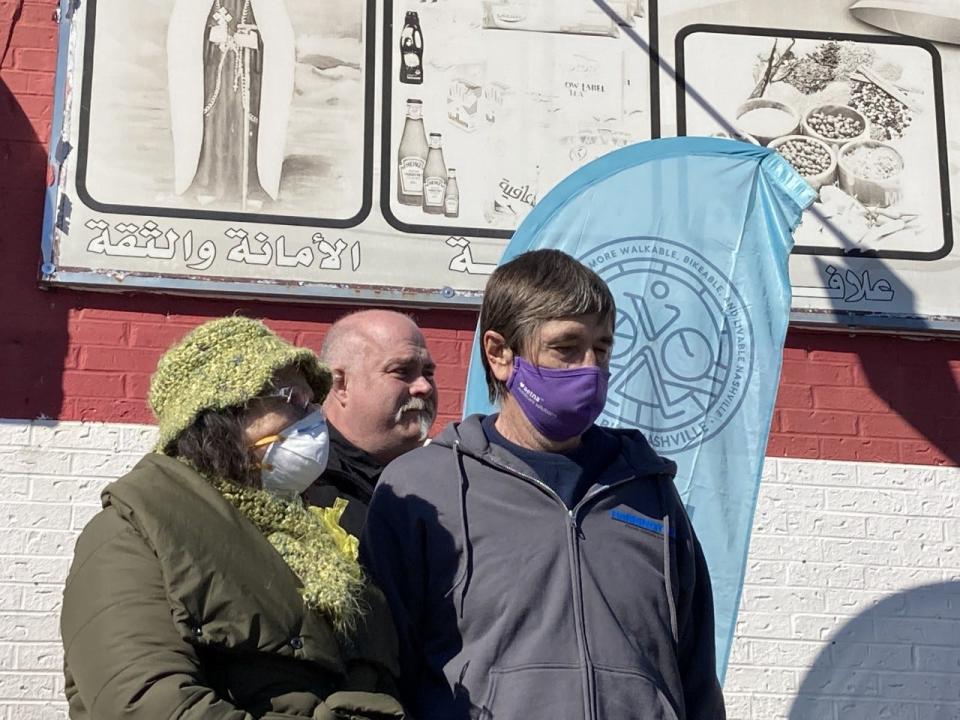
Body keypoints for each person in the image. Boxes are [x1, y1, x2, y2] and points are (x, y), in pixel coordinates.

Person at [361, 250, 726, 719]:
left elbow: (695, 674)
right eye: (566, 347)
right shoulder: (422, 491)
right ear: (499, 354)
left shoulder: (648, 489)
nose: (590, 367)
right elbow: (382, 672)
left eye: (602, 347)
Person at [61, 316, 405, 720]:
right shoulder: (131, 530)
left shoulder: (319, 540)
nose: (314, 420)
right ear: (221, 414)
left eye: (313, 403)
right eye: (291, 399)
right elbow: (145, 703)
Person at [305, 310, 438, 537]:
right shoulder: (302, 482)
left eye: (428, 373)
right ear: (341, 385)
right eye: (401, 371)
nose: (424, 387)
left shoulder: (447, 480)